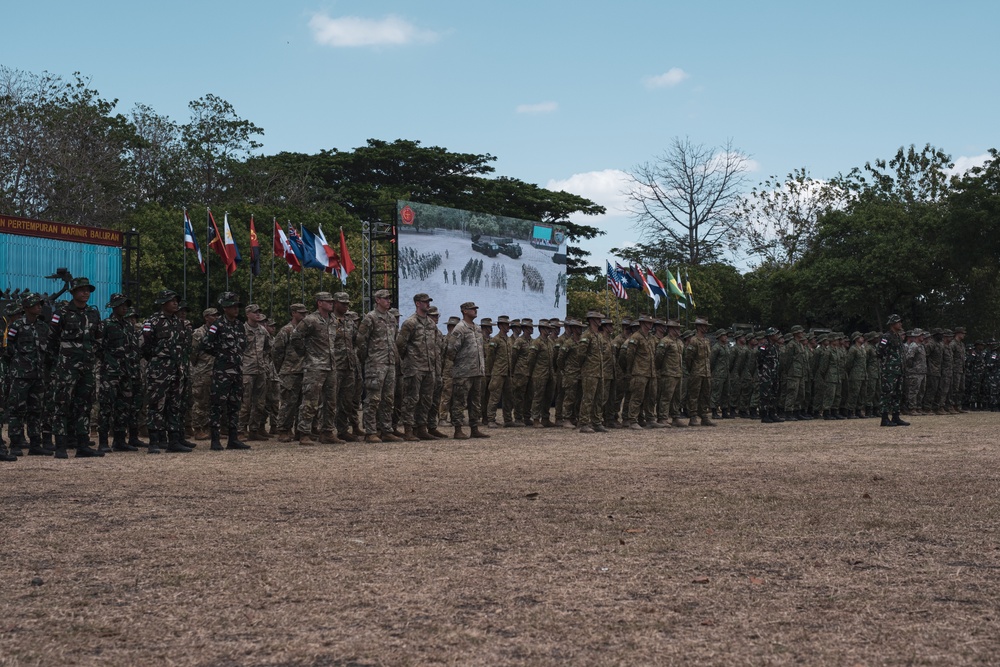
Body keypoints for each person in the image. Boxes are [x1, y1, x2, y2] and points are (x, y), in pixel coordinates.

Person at [48, 277, 104, 458]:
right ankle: (61, 446)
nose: (85, 293)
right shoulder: (62, 313)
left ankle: (83, 446)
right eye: (81, 290)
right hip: (67, 366)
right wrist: (60, 361)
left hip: (87, 366)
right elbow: (52, 339)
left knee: (84, 405)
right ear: (73, 292)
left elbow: (98, 338)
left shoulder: (93, 313)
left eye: (87, 290)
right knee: (62, 404)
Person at [141, 290, 193, 454]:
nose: (176, 303)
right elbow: (145, 346)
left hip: (177, 369)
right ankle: (154, 441)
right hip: (159, 370)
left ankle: (174, 441)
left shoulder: (178, 322)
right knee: (156, 405)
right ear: (163, 303)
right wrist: (158, 360)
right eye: (172, 301)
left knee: (174, 405)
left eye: (176, 300)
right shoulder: (152, 321)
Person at [199, 292, 252, 450]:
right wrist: (221, 355)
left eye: (237, 306)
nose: (235, 309)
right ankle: (215, 439)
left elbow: (243, 345)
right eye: (232, 306)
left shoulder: (239, 325)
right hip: (222, 372)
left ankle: (233, 439)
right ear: (224, 308)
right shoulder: (218, 325)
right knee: (217, 405)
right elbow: (205, 344)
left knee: (235, 405)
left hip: (237, 371)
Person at [3, 293, 51, 458]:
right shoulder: (16, 326)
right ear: (26, 307)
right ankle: (15, 443)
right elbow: (8, 350)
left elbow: (48, 351)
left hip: (38, 375)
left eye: (40, 304)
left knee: (36, 410)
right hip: (21, 375)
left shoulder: (43, 327)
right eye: (35, 304)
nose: (39, 306)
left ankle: (35, 443)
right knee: (17, 409)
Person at [290, 292, 341, 445]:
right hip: (314, 367)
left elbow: (334, 341)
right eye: (328, 301)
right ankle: (304, 433)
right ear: (319, 303)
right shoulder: (310, 320)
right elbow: (296, 337)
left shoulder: (333, 320)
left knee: (331, 402)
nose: (331, 303)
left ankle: (327, 432)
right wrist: (306, 353)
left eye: (332, 301)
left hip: (331, 365)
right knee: (310, 400)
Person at [356, 289, 401, 443]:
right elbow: (361, 341)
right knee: (373, 398)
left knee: (388, 398)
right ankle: (370, 431)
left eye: (389, 298)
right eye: (386, 298)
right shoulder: (370, 318)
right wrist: (368, 358)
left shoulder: (391, 318)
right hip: (375, 363)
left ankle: (386, 430)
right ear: (377, 300)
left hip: (389, 363)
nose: (389, 301)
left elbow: (394, 339)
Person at [98, 293, 138, 452]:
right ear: (114, 307)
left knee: (124, 406)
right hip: (110, 371)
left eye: (126, 305)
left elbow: (132, 348)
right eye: (121, 304)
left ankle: (120, 440)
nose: (124, 307)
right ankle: (102, 441)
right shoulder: (106, 325)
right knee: (106, 406)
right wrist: (109, 362)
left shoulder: (128, 326)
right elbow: (98, 347)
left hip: (126, 371)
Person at [396, 293, 438, 441]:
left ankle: (421, 428)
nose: (428, 304)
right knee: (411, 399)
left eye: (428, 301)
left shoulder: (431, 323)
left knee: (426, 400)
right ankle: (408, 429)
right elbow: (400, 344)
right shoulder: (410, 323)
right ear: (417, 303)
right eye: (425, 302)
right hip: (414, 367)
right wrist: (409, 360)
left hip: (428, 367)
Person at [445, 301, 489, 439]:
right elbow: (451, 350)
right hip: (463, 373)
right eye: (472, 309)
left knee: (475, 401)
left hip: (477, 371)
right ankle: (458, 429)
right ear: (464, 311)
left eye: (475, 308)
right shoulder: (460, 329)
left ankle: (474, 428)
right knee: (459, 401)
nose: (475, 311)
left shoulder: (477, 329)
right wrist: (461, 364)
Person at [271, 303, 307, 441]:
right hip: (289, 372)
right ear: (293, 313)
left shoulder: (305, 330)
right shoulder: (286, 330)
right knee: (288, 403)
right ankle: (283, 430)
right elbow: (276, 352)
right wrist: (282, 368)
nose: (304, 315)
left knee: (302, 403)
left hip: (304, 370)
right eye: (301, 313)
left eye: (305, 313)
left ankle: (300, 430)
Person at [241, 304, 271, 440]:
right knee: (244, 403)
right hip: (246, 370)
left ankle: (254, 430)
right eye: (254, 312)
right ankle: (240, 430)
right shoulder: (241, 330)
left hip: (260, 370)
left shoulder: (263, 331)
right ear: (247, 314)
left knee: (259, 403)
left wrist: (263, 364)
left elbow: (267, 348)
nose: (257, 314)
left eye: (259, 312)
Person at [190, 308, 219, 440]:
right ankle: (197, 428)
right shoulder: (198, 333)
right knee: (200, 402)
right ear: (206, 317)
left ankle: (208, 427)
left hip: (216, 371)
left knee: (212, 402)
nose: (216, 317)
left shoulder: (218, 331)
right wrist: (198, 367)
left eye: (217, 315)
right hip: (202, 371)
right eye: (213, 316)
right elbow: (193, 353)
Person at [876, 314, 909, 427]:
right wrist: (888, 362)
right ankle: (885, 418)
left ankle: (896, 416)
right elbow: (879, 351)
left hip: (898, 370)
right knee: (887, 393)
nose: (900, 324)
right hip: (889, 371)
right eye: (898, 322)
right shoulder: (886, 337)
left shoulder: (897, 337)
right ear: (892, 324)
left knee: (897, 394)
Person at [685, 317, 715, 427]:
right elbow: (688, 359)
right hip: (697, 372)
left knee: (705, 395)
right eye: (704, 326)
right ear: (698, 327)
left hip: (706, 372)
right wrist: (693, 370)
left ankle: (704, 416)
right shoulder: (693, 341)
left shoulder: (706, 341)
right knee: (694, 395)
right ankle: (693, 416)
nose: (706, 328)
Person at [757, 327, 782, 423]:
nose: (777, 336)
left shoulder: (775, 346)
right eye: (775, 334)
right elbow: (759, 360)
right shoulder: (764, 346)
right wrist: (763, 372)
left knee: (774, 394)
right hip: (766, 374)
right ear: (770, 336)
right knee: (765, 395)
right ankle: (764, 415)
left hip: (774, 374)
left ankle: (772, 413)